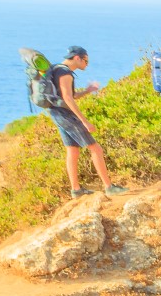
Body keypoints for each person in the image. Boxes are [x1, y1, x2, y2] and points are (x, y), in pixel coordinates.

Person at [42, 48, 124, 198]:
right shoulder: (65, 73)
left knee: (72, 150)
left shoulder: (55, 69)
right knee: (96, 149)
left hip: (56, 113)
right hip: (65, 115)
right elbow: (68, 98)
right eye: (86, 61)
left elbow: (69, 95)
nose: (87, 64)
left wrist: (87, 91)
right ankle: (109, 187)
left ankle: (76, 190)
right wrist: (84, 121)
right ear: (78, 58)